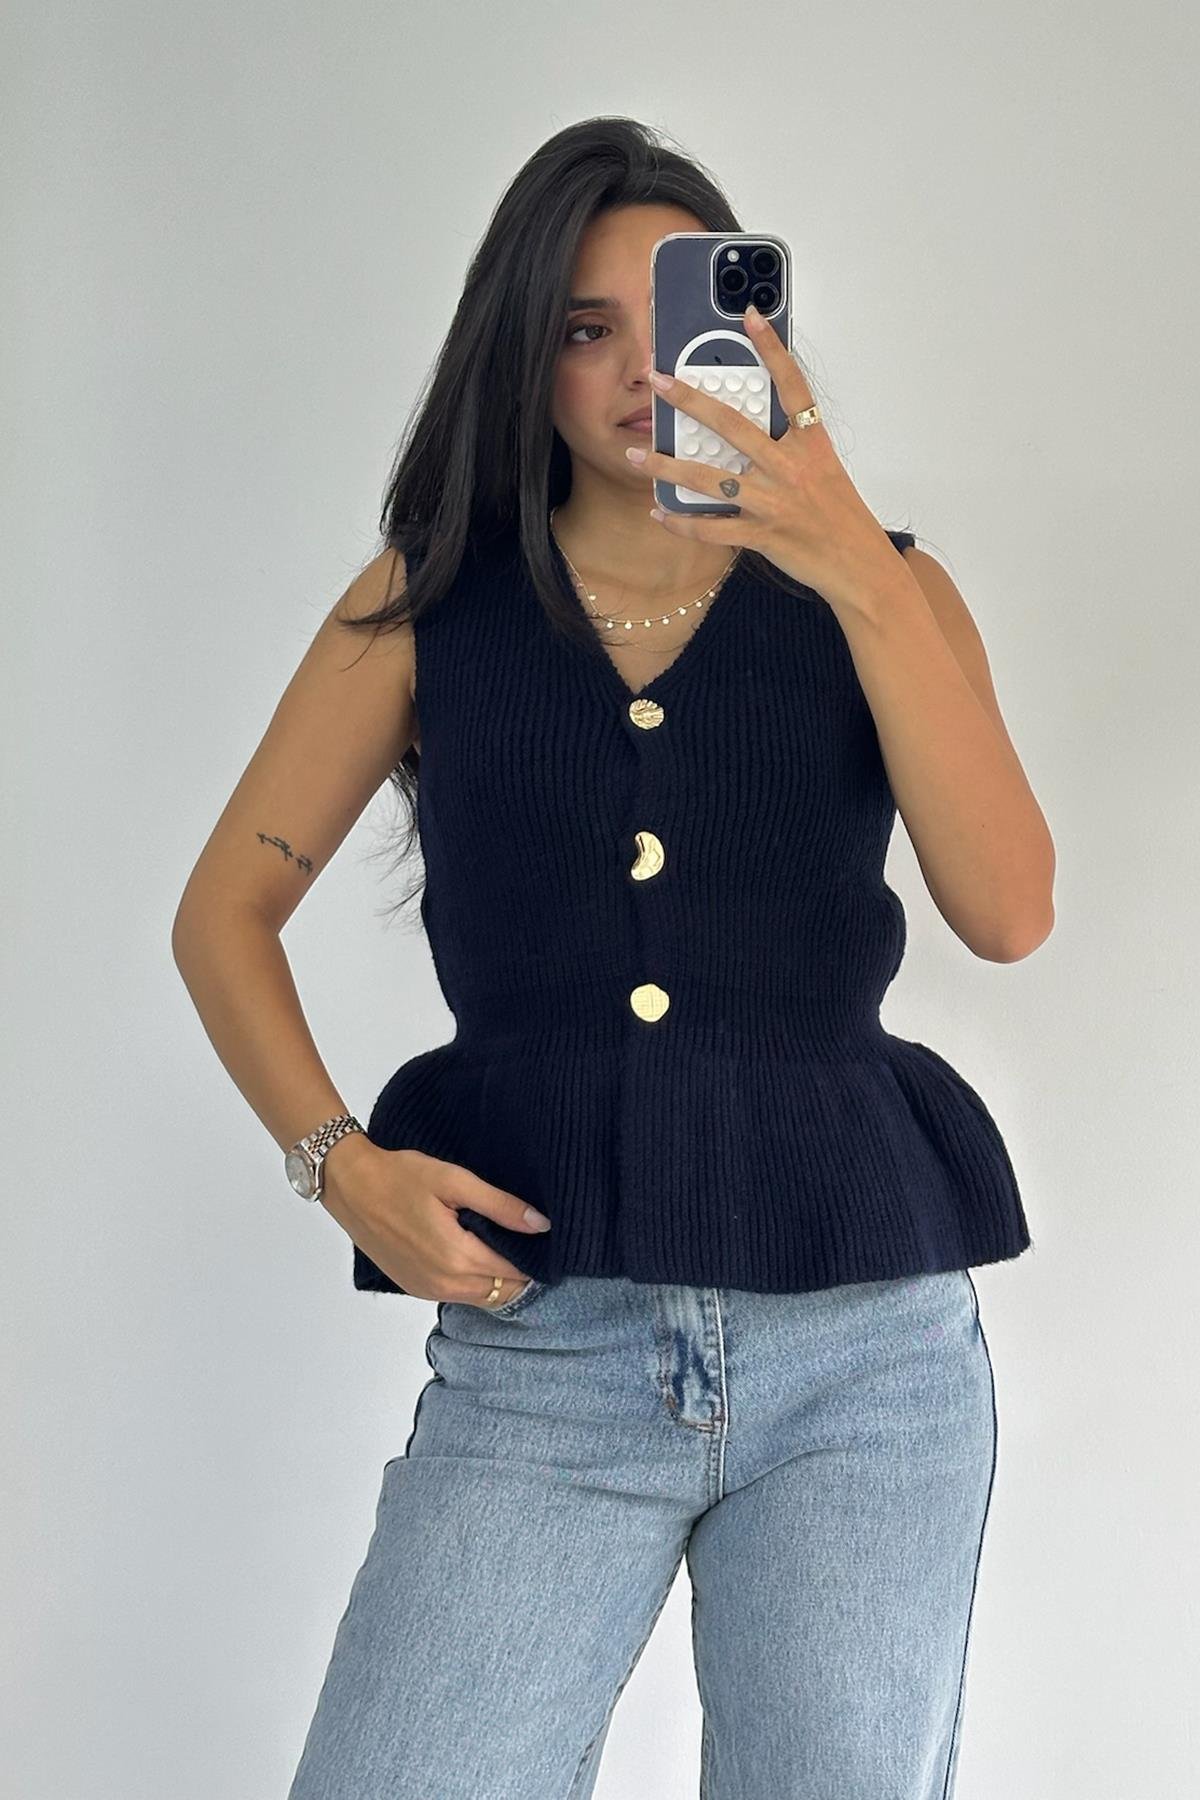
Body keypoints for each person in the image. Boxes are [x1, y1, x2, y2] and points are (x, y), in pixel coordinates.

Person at [172, 118, 1054, 1800]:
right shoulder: (427, 606)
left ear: (757, 328)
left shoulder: (889, 595)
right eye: (587, 329)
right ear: (524, 354)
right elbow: (222, 915)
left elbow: (1009, 913)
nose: (644, 371)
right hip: (542, 1348)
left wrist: (850, 560)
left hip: (864, 1357)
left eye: (685, 317)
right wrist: (337, 1164)